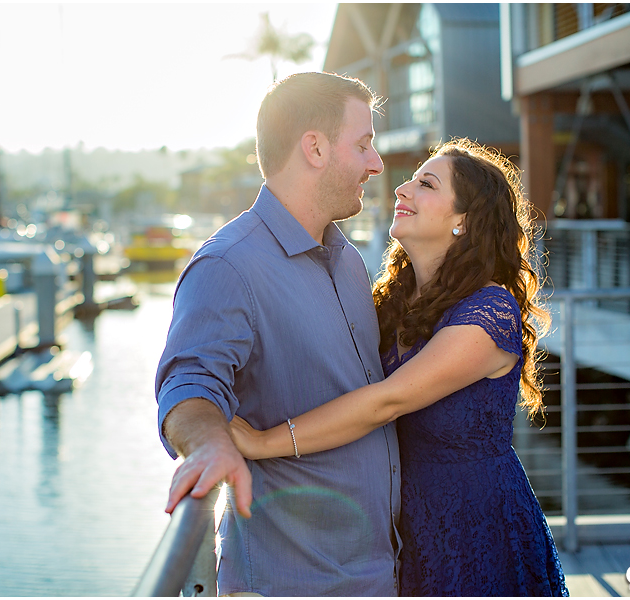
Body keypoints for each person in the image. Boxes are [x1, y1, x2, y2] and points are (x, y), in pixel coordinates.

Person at [229, 138, 570, 596]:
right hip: (400, 527)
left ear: (463, 222)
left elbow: (387, 401)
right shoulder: (391, 303)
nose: (401, 189)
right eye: (410, 179)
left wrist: (261, 442)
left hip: (474, 526)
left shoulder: (491, 311)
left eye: (425, 184)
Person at [155, 72, 401, 596]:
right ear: (314, 147)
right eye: (363, 145)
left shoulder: (350, 260)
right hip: (291, 583)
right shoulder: (228, 265)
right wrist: (208, 446)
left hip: (377, 573)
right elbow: (189, 384)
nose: (376, 163)